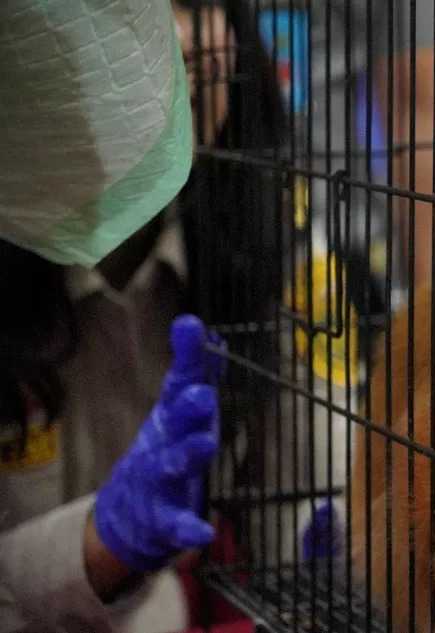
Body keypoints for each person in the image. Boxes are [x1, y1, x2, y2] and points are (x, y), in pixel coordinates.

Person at [0, 0, 285, 630]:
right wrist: (93, 550)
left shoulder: (269, 258)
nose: (178, 40)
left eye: (199, 3)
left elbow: (303, 505)